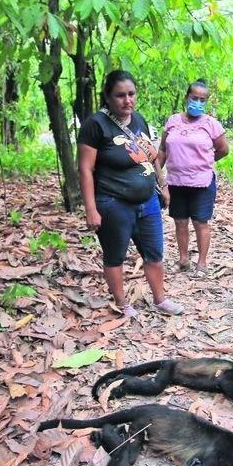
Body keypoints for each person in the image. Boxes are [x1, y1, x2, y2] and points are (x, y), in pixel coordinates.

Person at [78, 70, 184, 317]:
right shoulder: (95, 125)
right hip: (114, 202)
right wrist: (91, 209)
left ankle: (160, 299)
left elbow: (151, 155)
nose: (127, 101)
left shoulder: (138, 119)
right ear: (107, 96)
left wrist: (163, 185)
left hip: (147, 202)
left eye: (131, 94)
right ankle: (123, 303)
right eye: (120, 95)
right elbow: (85, 169)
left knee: (154, 253)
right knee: (115, 256)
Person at [156, 79, 229, 274]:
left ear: (206, 102)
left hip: (202, 182)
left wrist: (203, 161)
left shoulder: (211, 124)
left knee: (200, 221)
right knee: (180, 221)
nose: (197, 102)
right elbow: (163, 149)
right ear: (187, 98)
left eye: (202, 99)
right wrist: (157, 176)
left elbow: (223, 149)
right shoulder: (172, 121)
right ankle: (183, 260)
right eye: (194, 98)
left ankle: (202, 263)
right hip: (176, 181)